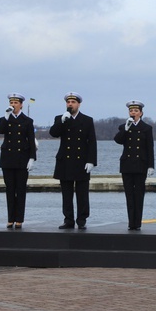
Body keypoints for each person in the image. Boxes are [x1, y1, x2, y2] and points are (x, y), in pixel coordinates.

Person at [49, 92, 97, 230]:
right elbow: (53, 133)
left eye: (73, 102)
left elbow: (92, 142)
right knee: (66, 194)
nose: (70, 104)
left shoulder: (87, 120)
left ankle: (82, 219)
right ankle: (68, 219)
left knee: (82, 194)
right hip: (65, 161)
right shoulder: (60, 118)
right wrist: (62, 121)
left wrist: (91, 160)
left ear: (78, 104)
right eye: (68, 102)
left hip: (81, 161)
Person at [0, 93, 37, 229]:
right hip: (8, 159)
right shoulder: (4, 119)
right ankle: (10, 218)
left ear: (21, 105)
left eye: (15, 103)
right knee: (9, 189)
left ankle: (19, 218)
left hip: (22, 159)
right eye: (11, 102)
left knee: (20, 190)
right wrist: (6, 117)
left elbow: (31, 141)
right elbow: (0, 131)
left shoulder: (27, 121)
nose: (13, 105)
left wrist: (32, 158)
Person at [114, 100, 155, 230]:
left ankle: (137, 222)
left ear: (141, 113)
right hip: (127, 165)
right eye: (131, 111)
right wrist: (125, 129)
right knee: (129, 195)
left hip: (140, 165)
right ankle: (131, 223)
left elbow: (150, 148)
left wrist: (151, 165)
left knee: (139, 195)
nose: (133, 113)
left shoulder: (147, 128)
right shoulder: (124, 126)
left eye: (136, 111)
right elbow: (118, 140)